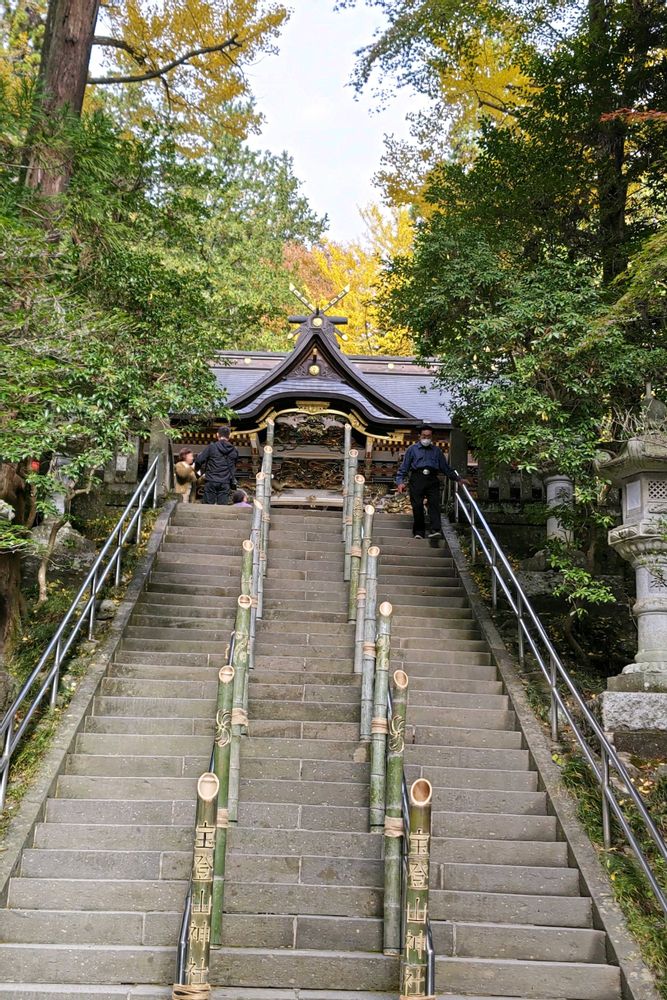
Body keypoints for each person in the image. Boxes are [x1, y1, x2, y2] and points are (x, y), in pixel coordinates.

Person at [396, 425, 462, 539]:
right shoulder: (412, 449)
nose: (426, 438)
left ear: (432, 437)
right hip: (417, 478)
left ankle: (435, 529)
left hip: (432, 478)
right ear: (419, 436)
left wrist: (458, 479)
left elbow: (445, 468)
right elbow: (404, 467)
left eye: (428, 436)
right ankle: (419, 532)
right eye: (424, 436)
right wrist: (400, 481)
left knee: (434, 503)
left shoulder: (437, 451)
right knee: (417, 505)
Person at [194, 426, 239, 506]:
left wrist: (197, 472)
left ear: (217, 434)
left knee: (207, 507)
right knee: (222, 507)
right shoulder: (234, 450)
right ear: (229, 436)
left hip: (211, 480)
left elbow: (199, 460)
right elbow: (234, 466)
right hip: (225, 482)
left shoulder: (212, 447)